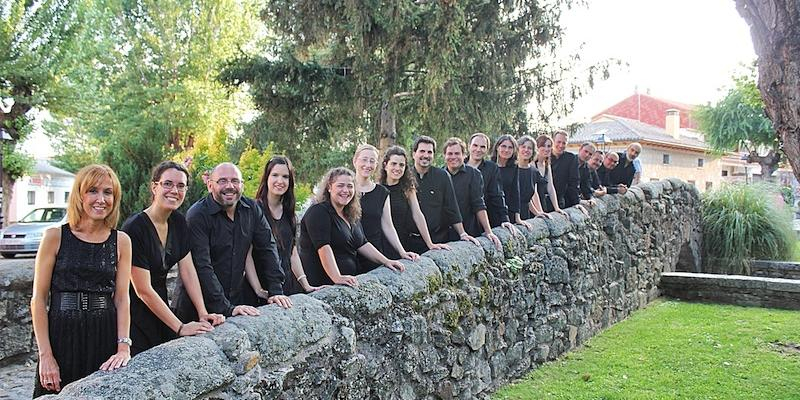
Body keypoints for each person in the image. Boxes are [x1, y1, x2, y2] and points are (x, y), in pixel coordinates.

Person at [31, 164, 133, 397]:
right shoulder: (54, 237)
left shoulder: (122, 241)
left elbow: (121, 299)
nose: (101, 199)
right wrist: (45, 356)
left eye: (108, 192)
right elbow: (38, 300)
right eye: (93, 191)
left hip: (104, 335)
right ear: (80, 195)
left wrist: (123, 347)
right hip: (61, 334)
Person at [122, 161, 225, 356]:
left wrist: (203, 313)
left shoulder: (178, 222)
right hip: (132, 313)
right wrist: (180, 327)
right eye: (167, 184)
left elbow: (188, 271)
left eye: (180, 186)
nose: (174, 190)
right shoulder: (134, 228)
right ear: (154, 187)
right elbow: (142, 290)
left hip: (161, 308)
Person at [173, 162, 291, 323]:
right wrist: (226, 308)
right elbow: (202, 266)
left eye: (235, 181)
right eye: (222, 181)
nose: (230, 186)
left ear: (242, 185)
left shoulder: (252, 209)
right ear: (209, 185)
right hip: (196, 310)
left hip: (234, 302)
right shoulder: (197, 215)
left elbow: (267, 247)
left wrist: (276, 290)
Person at [299, 167, 406, 287]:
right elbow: (323, 247)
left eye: (350, 186)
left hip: (348, 281)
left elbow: (362, 244)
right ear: (329, 187)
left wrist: (387, 261)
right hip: (323, 284)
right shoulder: (318, 212)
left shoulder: (350, 214)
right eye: (340, 185)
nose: (345, 190)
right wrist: (337, 277)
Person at [244, 156, 321, 298]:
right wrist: (258, 289)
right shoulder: (253, 210)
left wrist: (306, 286)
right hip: (262, 293)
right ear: (266, 178)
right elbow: (246, 254)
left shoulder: (289, 213)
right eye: (275, 175)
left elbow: (292, 253)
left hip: (287, 289)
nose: (280, 181)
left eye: (285, 177)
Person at [352, 144, 419, 272]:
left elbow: (388, 226)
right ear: (355, 161)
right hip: (348, 255)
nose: (368, 164)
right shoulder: (346, 190)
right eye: (364, 159)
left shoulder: (382, 192)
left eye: (372, 161)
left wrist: (402, 252)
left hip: (374, 256)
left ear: (377, 164)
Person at [379, 146, 451, 256]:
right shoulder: (378, 189)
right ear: (385, 165)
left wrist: (430, 243)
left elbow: (417, 214)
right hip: (381, 244)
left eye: (401, 165)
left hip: (403, 242)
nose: (397, 168)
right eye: (393, 164)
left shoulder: (407, 188)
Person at [411, 135, 480, 248]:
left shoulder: (442, 176)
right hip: (409, 241)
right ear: (414, 154)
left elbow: (452, 208)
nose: (426, 155)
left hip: (438, 239)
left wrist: (462, 233)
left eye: (429, 152)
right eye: (422, 151)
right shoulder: (407, 177)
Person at [442, 137, 502, 249]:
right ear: (444, 155)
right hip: (442, 235)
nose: (453, 157)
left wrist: (488, 231)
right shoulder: (440, 175)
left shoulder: (474, 174)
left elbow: (478, 204)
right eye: (450, 153)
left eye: (457, 153)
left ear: (464, 155)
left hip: (469, 232)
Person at [466, 133, 519, 234]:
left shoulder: (491, 168)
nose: (478, 149)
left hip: (481, 221)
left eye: (482, 147)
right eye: (475, 145)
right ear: (469, 146)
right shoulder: (458, 166)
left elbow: (497, 195)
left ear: (487, 149)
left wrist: (505, 219)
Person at [492, 134, 532, 228]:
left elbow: (515, 192)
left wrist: (517, 218)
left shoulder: (514, 168)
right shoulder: (489, 166)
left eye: (510, 147)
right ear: (497, 147)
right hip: (491, 211)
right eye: (503, 146)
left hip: (507, 213)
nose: (506, 150)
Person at [533, 135, 568, 215]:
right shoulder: (532, 164)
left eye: (549, 146)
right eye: (543, 146)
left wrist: (556, 208)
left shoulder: (547, 165)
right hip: (533, 207)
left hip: (543, 203)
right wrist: (539, 212)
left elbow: (551, 187)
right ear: (537, 147)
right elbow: (533, 191)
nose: (546, 149)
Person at [517, 135, 549, 219]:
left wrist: (537, 213)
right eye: (523, 147)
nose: (526, 150)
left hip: (525, 214)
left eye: (530, 148)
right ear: (517, 149)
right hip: (510, 216)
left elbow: (527, 199)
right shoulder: (512, 169)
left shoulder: (533, 171)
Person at [550, 130, 581, 209]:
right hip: (542, 199)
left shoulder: (571, 158)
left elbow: (574, 181)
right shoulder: (545, 155)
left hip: (560, 199)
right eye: (558, 142)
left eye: (564, 143)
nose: (561, 145)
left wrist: (576, 202)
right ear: (553, 141)